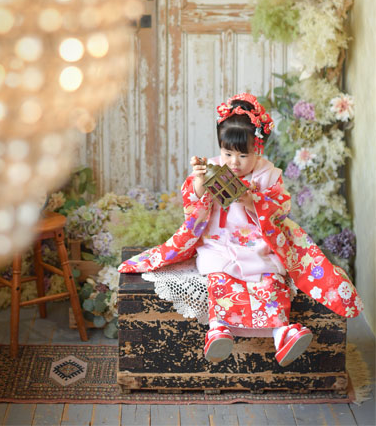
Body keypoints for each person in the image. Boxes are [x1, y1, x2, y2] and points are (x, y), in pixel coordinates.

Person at [118, 93, 363, 367]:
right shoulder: (214, 169)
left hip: (258, 243)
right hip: (219, 243)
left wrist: (251, 200)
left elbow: (280, 208)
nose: (234, 162)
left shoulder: (269, 175)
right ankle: (218, 328)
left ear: (258, 149)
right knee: (220, 279)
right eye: (228, 153)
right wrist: (200, 182)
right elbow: (193, 204)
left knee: (271, 281)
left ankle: (282, 332)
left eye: (243, 155)